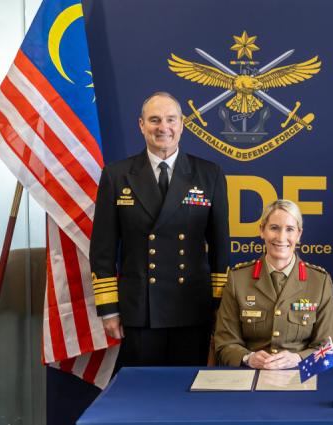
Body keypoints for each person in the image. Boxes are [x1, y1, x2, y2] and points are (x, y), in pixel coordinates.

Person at [90, 91, 230, 367]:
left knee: (186, 395)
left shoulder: (209, 174)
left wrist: (218, 305)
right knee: (143, 396)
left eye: (170, 119)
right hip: (141, 309)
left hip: (191, 306)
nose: (162, 127)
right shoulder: (117, 175)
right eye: (154, 120)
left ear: (182, 124)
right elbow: (103, 249)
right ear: (141, 125)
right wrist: (108, 310)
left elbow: (220, 247)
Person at [215, 199, 333, 369]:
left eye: (289, 229)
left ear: (299, 235)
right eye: (274, 228)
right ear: (262, 231)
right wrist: (248, 358)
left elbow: (329, 349)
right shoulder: (238, 279)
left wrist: (298, 358)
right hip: (250, 374)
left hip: (301, 374)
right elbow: (224, 343)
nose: (281, 237)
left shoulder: (319, 281)